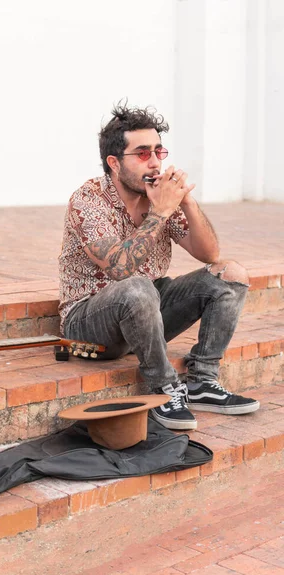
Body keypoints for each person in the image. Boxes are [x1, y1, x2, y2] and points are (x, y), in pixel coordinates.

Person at [58, 102, 259, 430]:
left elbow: (208, 253)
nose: (154, 162)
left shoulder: (158, 195)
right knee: (137, 286)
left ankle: (202, 382)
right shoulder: (88, 200)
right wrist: (161, 212)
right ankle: (164, 388)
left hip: (145, 307)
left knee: (230, 274)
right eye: (141, 153)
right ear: (114, 162)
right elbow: (120, 270)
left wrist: (187, 202)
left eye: (158, 151)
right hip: (88, 325)